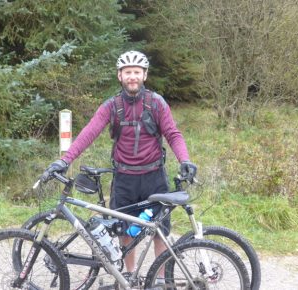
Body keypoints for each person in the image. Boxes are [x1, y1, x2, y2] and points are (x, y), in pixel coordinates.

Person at [41, 50, 197, 280]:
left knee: (160, 233)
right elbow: (89, 133)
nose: (132, 76)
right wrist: (65, 160)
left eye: (136, 72)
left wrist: (185, 160)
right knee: (124, 232)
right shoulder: (112, 106)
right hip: (124, 179)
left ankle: (162, 281)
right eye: (127, 72)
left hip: (155, 177)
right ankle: (128, 277)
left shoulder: (156, 103)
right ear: (120, 76)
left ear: (144, 75)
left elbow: (173, 134)